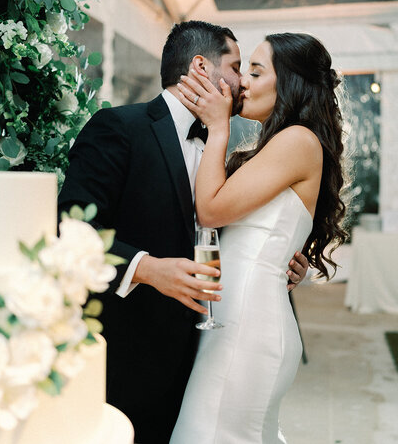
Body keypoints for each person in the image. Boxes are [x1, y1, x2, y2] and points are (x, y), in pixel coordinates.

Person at [58, 22, 309, 444]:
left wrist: (274, 257)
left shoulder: (218, 148)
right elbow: (71, 227)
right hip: (130, 356)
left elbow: (224, 228)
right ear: (200, 67)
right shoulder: (120, 127)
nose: (242, 84)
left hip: (203, 357)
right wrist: (146, 268)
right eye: (235, 67)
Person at [170, 32, 347, 444]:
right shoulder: (281, 144)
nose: (242, 82)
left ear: (289, 83)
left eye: (255, 70)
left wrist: (218, 128)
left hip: (249, 326)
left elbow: (210, 210)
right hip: (238, 318)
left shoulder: (298, 140)